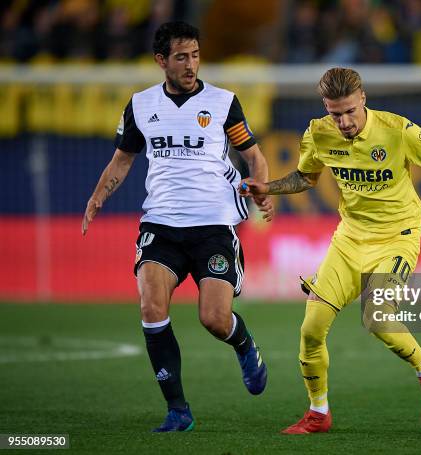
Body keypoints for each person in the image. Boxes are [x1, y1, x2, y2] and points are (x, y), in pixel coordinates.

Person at [239, 67, 421, 434]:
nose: (345, 121)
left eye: (350, 111)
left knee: (378, 314)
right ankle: (319, 413)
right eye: (336, 113)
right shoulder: (318, 133)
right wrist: (267, 188)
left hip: (398, 236)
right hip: (349, 240)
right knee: (311, 329)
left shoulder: (398, 130)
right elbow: (306, 177)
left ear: (363, 98)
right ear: (326, 108)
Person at [82, 21, 273, 433]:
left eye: (196, 55)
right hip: (161, 224)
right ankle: (178, 410)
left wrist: (262, 187)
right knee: (151, 308)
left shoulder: (223, 103)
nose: (191, 65)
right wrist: (98, 197)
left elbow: (254, 156)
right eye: (182, 57)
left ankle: (243, 343)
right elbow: (122, 160)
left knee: (214, 320)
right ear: (161, 61)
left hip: (214, 226)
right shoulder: (140, 105)